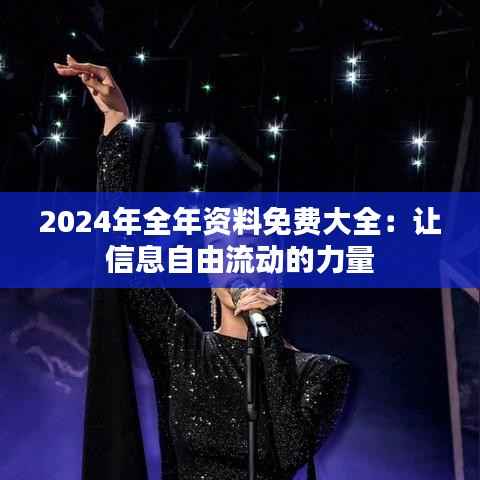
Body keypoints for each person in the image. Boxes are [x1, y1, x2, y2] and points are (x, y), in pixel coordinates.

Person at [54, 55, 352, 480]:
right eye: (226, 250)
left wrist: (266, 337)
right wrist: (117, 123)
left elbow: (287, 452)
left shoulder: (320, 371)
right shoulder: (182, 349)